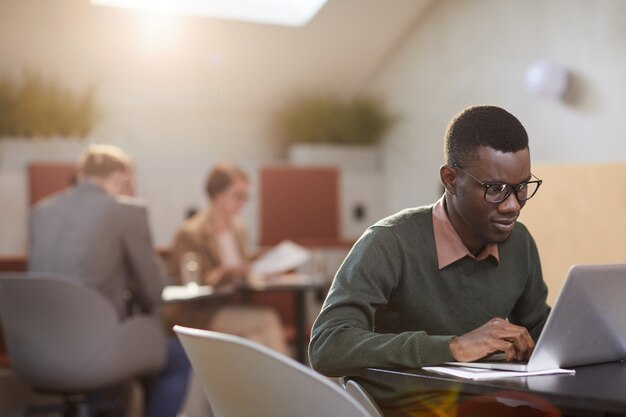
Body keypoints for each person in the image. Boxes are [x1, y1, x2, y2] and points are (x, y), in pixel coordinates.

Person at [309, 105, 552, 417]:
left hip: (488, 405)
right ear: (450, 180)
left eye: (520, 188)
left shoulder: (520, 243)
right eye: (495, 189)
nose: (512, 206)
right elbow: (327, 346)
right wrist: (451, 347)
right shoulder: (389, 242)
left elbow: (540, 328)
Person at [28, 144, 190, 417]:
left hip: (36, 354)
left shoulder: (40, 212)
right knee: (178, 359)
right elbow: (154, 292)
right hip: (94, 350)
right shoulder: (125, 211)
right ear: (122, 177)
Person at [166, 162, 289, 353]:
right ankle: (289, 382)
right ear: (218, 194)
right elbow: (187, 282)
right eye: (238, 195)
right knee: (267, 319)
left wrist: (260, 274)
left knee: (255, 339)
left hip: (234, 306)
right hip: (202, 313)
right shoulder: (191, 233)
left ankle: (273, 383)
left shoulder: (238, 229)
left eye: (246, 196)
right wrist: (225, 273)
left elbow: (243, 270)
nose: (242, 202)